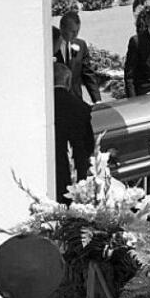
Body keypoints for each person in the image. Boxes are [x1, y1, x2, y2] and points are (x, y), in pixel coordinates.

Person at [53, 63, 93, 204]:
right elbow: (89, 145)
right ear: (68, 82)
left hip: (50, 170)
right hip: (75, 171)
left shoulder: (42, 106)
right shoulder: (82, 108)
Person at [55, 12, 101, 104]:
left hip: (76, 99)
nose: (75, 35)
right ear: (62, 28)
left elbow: (87, 74)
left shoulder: (81, 45)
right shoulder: (52, 46)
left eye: (77, 31)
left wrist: (97, 100)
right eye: (72, 31)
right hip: (57, 101)